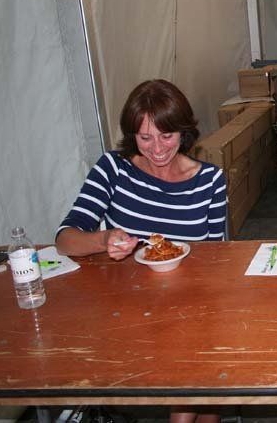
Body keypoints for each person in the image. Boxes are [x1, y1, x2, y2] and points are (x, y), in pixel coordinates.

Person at [56, 79, 227, 423]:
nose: (157, 148)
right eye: (144, 137)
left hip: (188, 304)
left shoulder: (210, 180)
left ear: (183, 131)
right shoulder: (114, 169)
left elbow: (217, 257)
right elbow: (65, 238)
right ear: (131, 134)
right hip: (128, 309)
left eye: (167, 135)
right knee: (198, 382)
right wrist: (103, 241)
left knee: (198, 370)